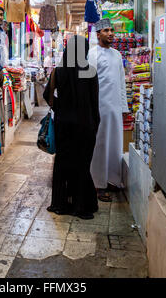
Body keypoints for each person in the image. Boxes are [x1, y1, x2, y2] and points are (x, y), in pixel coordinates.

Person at [43, 35, 100, 219]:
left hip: (63, 125)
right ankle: (80, 206)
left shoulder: (58, 71)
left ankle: (60, 204)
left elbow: (47, 95)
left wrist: (59, 107)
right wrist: (95, 123)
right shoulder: (90, 71)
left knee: (62, 162)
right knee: (82, 164)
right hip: (85, 125)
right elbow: (94, 102)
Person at [88, 19, 129, 202]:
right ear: (98, 34)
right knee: (99, 145)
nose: (111, 33)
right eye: (106, 30)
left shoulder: (117, 55)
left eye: (112, 30)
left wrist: (124, 106)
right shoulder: (91, 54)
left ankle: (113, 179)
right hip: (98, 108)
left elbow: (121, 82)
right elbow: (86, 84)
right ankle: (97, 184)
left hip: (114, 108)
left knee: (115, 143)